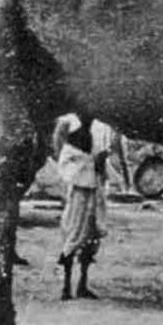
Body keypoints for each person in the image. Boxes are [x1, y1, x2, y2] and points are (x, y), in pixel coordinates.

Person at [54, 113, 108, 300]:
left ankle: (81, 284)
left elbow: (99, 167)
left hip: (92, 191)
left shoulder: (96, 130)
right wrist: (90, 162)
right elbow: (65, 166)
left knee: (91, 235)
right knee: (74, 233)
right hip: (79, 193)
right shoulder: (72, 132)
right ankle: (66, 286)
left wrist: (97, 164)